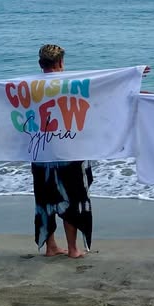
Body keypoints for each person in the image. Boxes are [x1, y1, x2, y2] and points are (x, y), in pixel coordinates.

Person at [32, 44, 94, 259]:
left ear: (41, 64)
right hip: (70, 151)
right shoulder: (71, 84)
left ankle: (50, 247)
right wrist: (132, 76)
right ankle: (73, 249)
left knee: (45, 199)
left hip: (41, 152)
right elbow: (107, 89)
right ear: (60, 63)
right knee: (73, 199)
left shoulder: (29, 86)